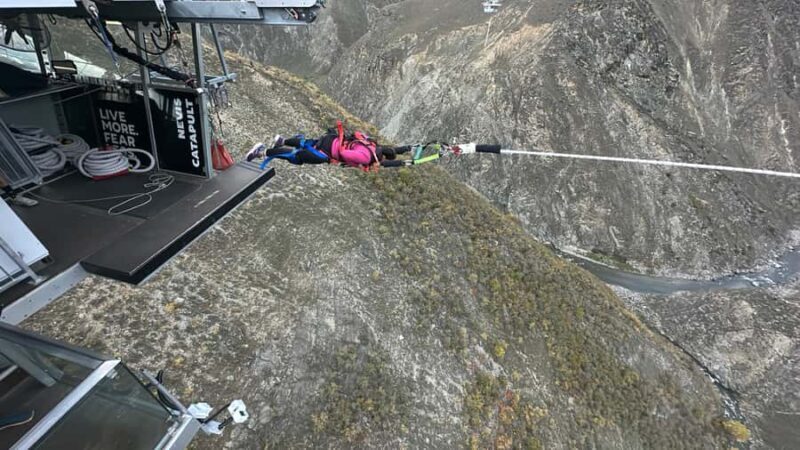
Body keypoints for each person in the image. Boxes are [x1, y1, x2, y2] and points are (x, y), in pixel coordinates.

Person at [246, 123, 411, 170]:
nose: (378, 167)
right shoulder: (366, 157)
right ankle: (263, 151)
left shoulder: (374, 145)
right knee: (297, 157)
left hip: (330, 140)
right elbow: (346, 155)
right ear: (381, 159)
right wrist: (335, 160)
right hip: (327, 152)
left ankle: (282, 141)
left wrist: (405, 150)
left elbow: (393, 151)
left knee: (306, 142)